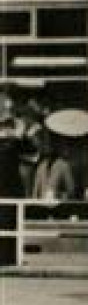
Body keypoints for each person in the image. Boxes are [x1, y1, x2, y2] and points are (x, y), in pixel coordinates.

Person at [0, 114, 25, 267]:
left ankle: (10, 258)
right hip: (10, 192)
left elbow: (32, 150)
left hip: (10, 192)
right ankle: (9, 259)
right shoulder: (12, 144)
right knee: (8, 226)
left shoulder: (12, 144)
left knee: (11, 226)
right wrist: (19, 134)